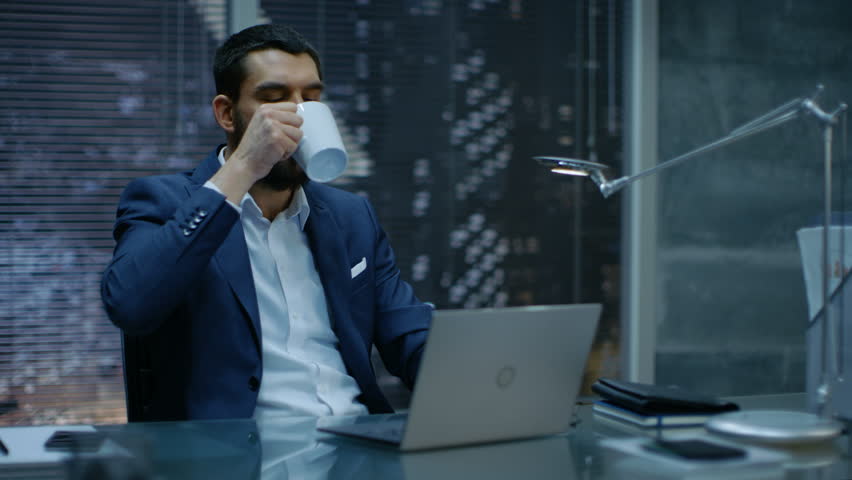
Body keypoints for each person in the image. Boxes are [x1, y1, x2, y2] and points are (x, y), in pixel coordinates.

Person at [101, 24, 431, 421]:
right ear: (226, 113)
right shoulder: (164, 201)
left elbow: (409, 335)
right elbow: (130, 305)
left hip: (355, 441)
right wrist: (243, 166)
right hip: (238, 452)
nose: (298, 117)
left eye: (311, 99)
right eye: (274, 100)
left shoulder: (350, 216)